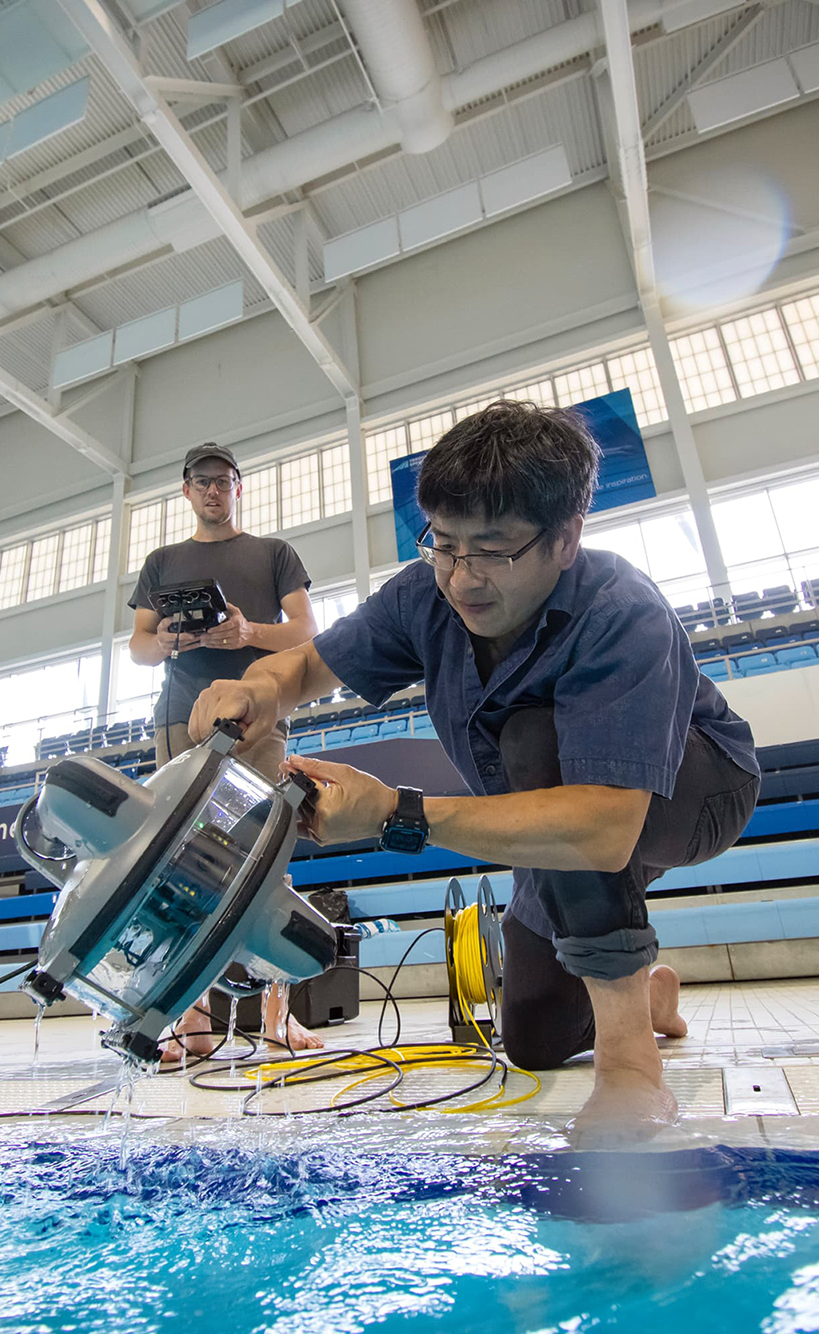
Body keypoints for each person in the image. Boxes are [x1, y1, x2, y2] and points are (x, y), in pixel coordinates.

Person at [189, 401, 760, 1145]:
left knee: (535, 737)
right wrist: (256, 690)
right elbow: (307, 664)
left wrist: (400, 812)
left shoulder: (622, 611)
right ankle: (647, 996)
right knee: (530, 1035)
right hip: (556, 806)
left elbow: (604, 828)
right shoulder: (424, 592)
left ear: (566, 539)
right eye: (445, 544)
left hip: (695, 787)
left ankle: (631, 1065)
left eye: (492, 551)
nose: (462, 578)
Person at [125, 442, 320, 1064]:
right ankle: (192, 1021)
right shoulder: (162, 561)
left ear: (239, 488)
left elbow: (307, 635)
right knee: (179, 867)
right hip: (181, 719)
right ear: (186, 491)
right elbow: (137, 648)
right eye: (202, 481)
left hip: (258, 720)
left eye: (224, 481)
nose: (214, 490)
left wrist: (248, 633)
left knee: (265, 858)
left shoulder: (274, 555)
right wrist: (168, 638)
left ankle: (275, 1020)